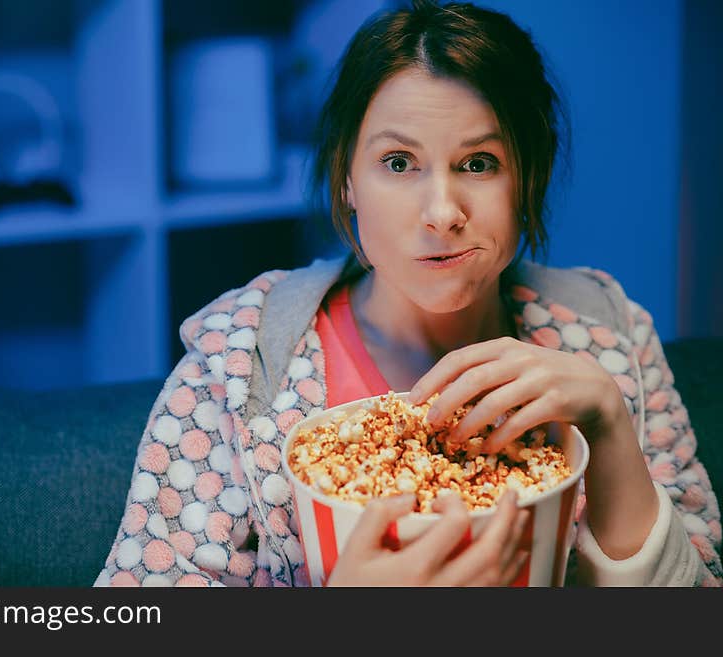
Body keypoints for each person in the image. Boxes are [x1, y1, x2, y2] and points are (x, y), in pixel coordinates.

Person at [95, 0, 722, 587]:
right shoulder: (238, 364)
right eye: (398, 162)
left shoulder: (612, 336)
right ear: (346, 179)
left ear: (528, 177)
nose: (443, 212)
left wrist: (608, 427)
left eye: (479, 163)